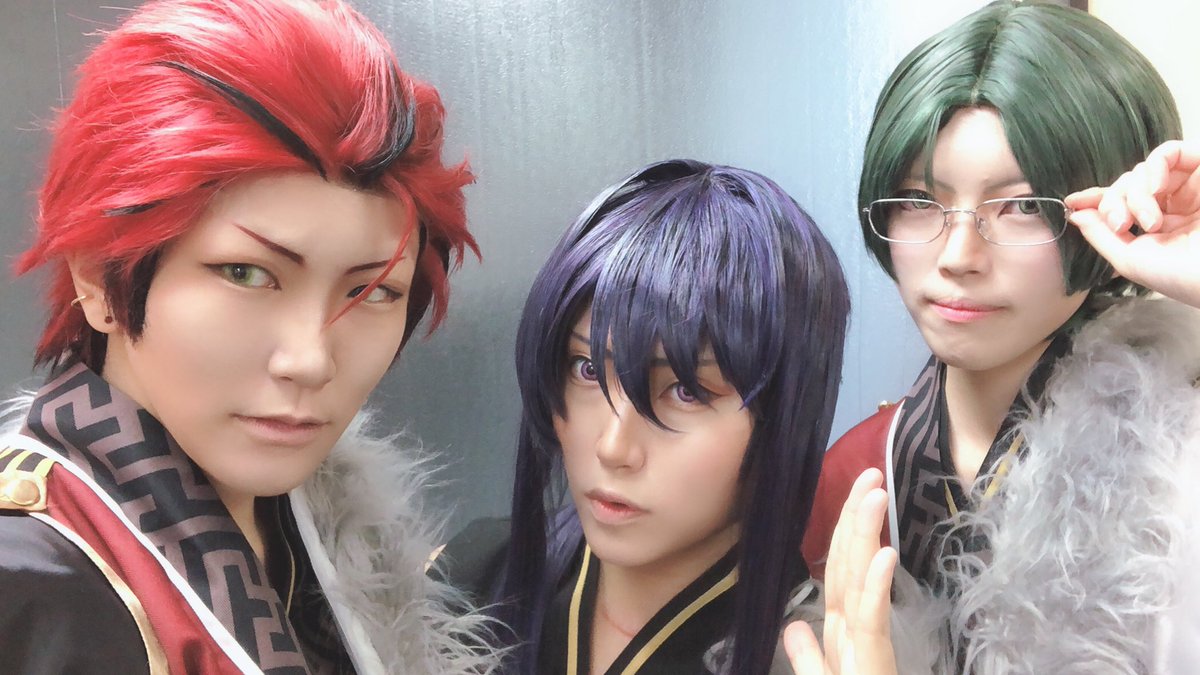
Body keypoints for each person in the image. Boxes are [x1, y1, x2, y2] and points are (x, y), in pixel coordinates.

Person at [0, 0, 497, 672]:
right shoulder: (25, 584)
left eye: (373, 291)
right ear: (98, 277)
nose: (310, 360)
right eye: (246, 273)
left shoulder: (330, 537)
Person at [800, 1, 1200, 671]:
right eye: (919, 200)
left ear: (1120, 216)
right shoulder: (855, 473)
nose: (958, 256)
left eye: (1023, 205)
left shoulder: (1182, 461)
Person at [434, 159, 850, 674]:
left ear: (784, 415)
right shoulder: (466, 584)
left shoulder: (812, 659)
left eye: (685, 390)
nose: (612, 447)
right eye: (587, 369)